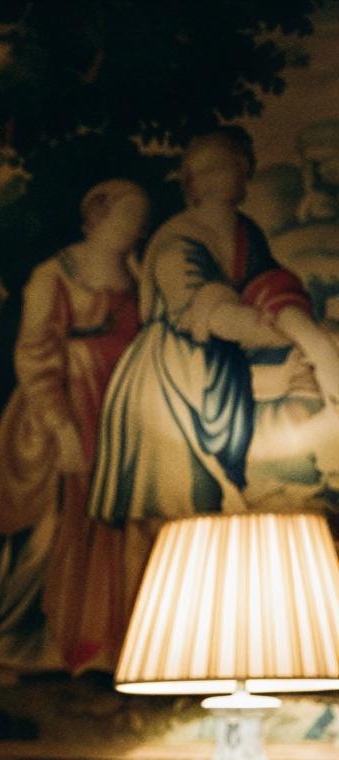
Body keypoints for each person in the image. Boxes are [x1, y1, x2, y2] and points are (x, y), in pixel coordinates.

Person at [89, 128, 339, 589]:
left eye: (240, 164)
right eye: (224, 165)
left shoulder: (245, 231)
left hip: (218, 373)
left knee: (216, 511)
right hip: (168, 384)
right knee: (163, 514)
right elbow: (208, 314)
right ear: (195, 180)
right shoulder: (177, 238)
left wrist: (315, 342)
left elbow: (272, 288)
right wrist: (293, 344)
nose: (237, 173)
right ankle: (133, 644)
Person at [0, 179, 147, 676]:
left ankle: (95, 645)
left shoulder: (136, 275)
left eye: (140, 218)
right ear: (97, 217)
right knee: (47, 529)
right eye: (126, 215)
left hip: (115, 413)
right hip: (60, 409)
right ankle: (6, 641)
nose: (135, 226)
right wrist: (61, 430)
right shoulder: (54, 275)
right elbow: (36, 353)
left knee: (108, 530)